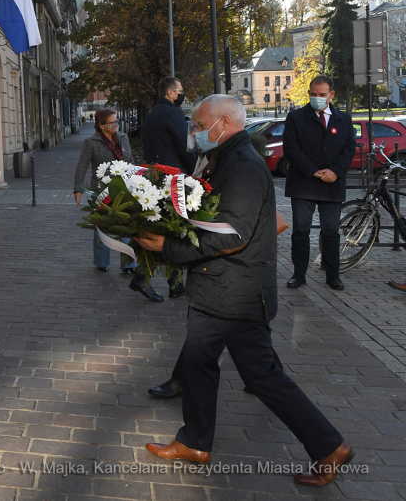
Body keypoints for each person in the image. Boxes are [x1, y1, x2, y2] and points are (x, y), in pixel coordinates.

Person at [135, 95, 352, 487]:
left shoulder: (244, 166)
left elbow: (232, 234)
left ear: (223, 123)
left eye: (199, 125)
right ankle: (194, 442)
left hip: (237, 293)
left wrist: (168, 249)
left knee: (264, 375)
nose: (195, 132)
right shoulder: (225, 159)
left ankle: (329, 446)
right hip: (217, 290)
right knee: (199, 366)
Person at [282, 76, 356, 291]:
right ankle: (299, 274)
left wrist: (336, 171)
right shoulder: (296, 117)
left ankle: (333, 275)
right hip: (304, 183)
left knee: (331, 231)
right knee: (300, 230)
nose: (317, 98)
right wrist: (314, 171)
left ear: (331, 95)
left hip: (332, 183)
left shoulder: (343, 119)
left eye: (322, 95)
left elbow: (349, 147)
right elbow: (291, 149)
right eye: (313, 94)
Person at [141, 76, 197, 299]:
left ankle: (146, 277)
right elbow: (186, 147)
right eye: (180, 90)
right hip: (174, 178)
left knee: (163, 228)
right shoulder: (172, 113)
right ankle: (174, 284)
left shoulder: (152, 114)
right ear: (170, 93)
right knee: (176, 229)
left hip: (155, 177)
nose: (182, 94)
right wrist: (195, 173)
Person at [73, 109, 138, 278]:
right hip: (101, 191)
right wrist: (78, 188)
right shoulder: (91, 142)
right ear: (102, 126)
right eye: (111, 123)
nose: (116, 125)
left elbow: (130, 161)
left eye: (116, 122)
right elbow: (82, 165)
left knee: (127, 225)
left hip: (124, 189)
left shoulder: (123, 138)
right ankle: (102, 261)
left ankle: (129, 263)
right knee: (102, 226)